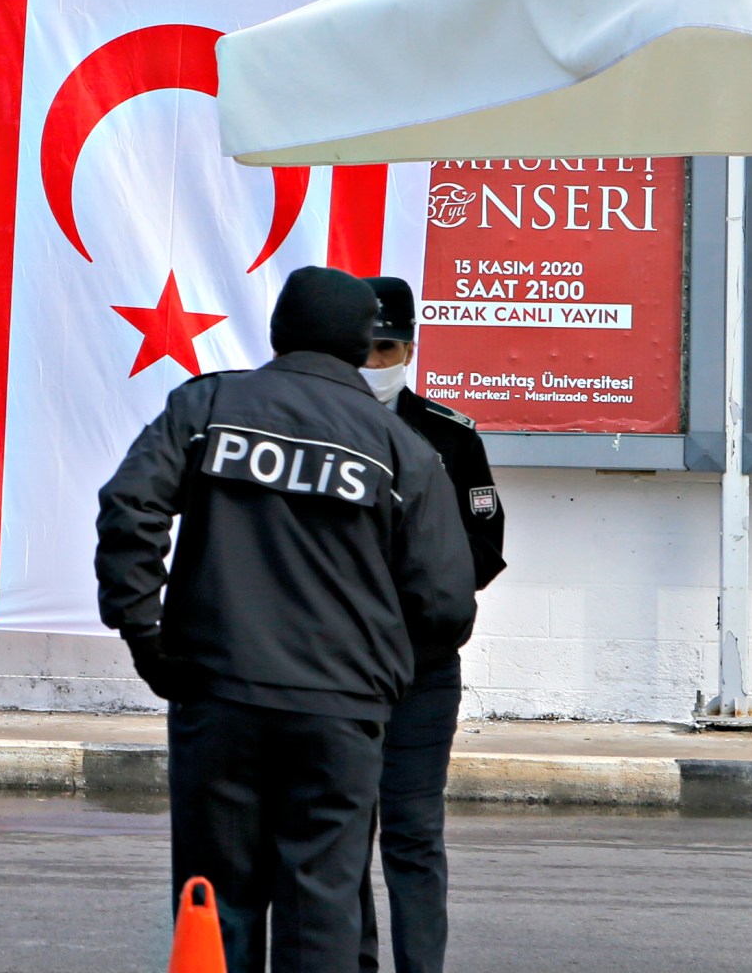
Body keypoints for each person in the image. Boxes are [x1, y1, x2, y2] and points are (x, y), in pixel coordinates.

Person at [94, 266, 477, 972]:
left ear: (276, 330)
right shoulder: (402, 452)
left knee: (218, 901)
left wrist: (144, 631)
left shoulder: (208, 405)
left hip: (218, 693)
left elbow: (130, 506)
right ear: (364, 346)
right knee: (323, 907)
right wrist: (380, 669)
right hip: (339, 711)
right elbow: (447, 604)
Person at [357, 275, 504, 973]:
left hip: (420, 668)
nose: (373, 364)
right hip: (339, 670)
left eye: (386, 349)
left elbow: (483, 549)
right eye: (361, 349)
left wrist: (404, 582)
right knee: (341, 838)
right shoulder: (315, 431)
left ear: (410, 349)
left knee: (413, 834)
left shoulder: (448, 437)